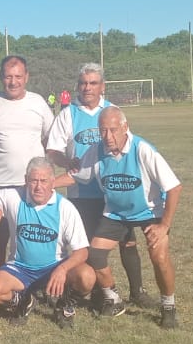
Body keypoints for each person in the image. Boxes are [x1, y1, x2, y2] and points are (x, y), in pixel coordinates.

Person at [56, 107, 183, 329]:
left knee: (159, 257)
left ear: (125, 127)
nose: (108, 136)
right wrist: (47, 184)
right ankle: (113, 298)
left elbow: (174, 187)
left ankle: (168, 306)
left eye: (113, 130)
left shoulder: (142, 150)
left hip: (150, 211)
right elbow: (76, 176)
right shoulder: (97, 150)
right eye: (103, 130)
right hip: (116, 213)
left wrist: (164, 225)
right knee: (95, 254)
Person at [0, 157, 95, 329]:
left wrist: (62, 269)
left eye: (44, 181)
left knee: (87, 276)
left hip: (54, 267)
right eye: (34, 180)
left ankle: (64, 306)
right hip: (20, 268)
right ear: (26, 180)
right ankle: (24, 301)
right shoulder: (13, 197)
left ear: (53, 181)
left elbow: (82, 251)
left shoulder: (65, 207)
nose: (38, 186)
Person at [0, 55, 54, 274]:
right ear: (1, 77)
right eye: (8, 76)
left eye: (18, 76)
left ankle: (34, 278)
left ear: (26, 77)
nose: (13, 82)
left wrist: (41, 163)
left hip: (32, 185)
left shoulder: (38, 102)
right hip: (0, 184)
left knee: (32, 236)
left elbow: (50, 137)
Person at [46, 64, 115, 308]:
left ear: (102, 86)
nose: (87, 87)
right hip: (80, 194)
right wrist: (67, 162)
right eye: (83, 83)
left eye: (93, 83)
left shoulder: (113, 111)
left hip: (111, 192)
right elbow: (52, 150)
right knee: (83, 246)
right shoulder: (68, 113)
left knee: (109, 246)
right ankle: (88, 289)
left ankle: (120, 292)